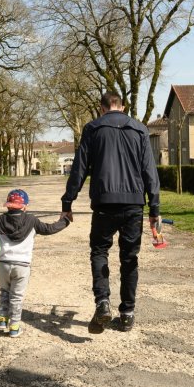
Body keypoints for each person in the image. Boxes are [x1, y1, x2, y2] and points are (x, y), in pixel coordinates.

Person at [61, 92, 161, 334]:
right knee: (129, 259)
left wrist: (68, 202)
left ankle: (102, 302)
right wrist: (154, 208)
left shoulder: (93, 129)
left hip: (104, 203)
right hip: (133, 205)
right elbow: (150, 170)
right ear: (123, 106)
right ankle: (127, 314)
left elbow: (79, 167)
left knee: (99, 251)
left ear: (101, 108)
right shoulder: (139, 129)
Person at [0, 189, 70, 338]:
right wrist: (65, 221)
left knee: (4, 291)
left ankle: (2, 321)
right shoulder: (32, 221)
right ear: (25, 206)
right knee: (16, 296)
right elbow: (49, 229)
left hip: (3, 263)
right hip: (22, 266)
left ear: (8, 206)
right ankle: (14, 327)